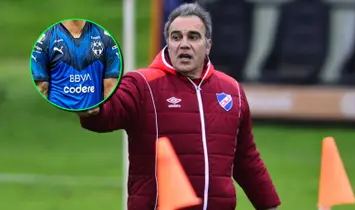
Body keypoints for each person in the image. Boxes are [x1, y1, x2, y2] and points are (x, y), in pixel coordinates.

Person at [79, 3, 281, 210]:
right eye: (176, 37)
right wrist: (91, 109)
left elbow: (246, 158)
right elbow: (109, 111)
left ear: (208, 45)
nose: (184, 44)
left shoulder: (232, 90)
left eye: (193, 37)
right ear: (168, 43)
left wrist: (269, 206)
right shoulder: (142, 84)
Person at [31, 19, 121, 110]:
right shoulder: (46, 39)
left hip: (92, 117)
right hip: (58, 114)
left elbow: (110, 89)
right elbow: (41, 87)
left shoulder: (106, 38)